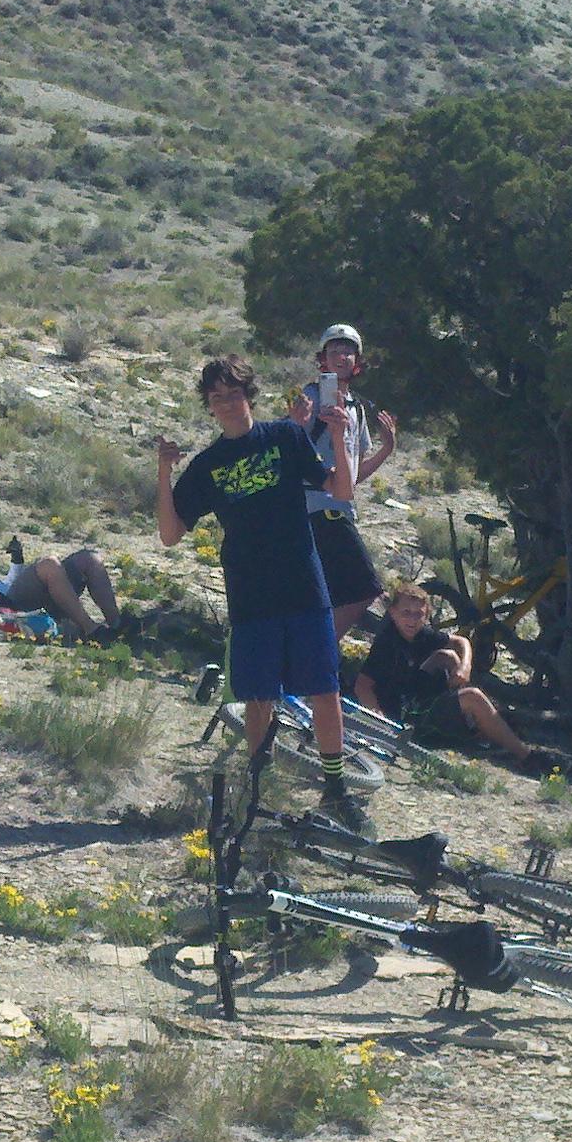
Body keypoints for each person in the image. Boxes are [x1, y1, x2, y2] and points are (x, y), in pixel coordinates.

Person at [157, 354, 370, 831]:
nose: (228, 404)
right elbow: (171, 534)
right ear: (208, 407)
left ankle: (334, 790)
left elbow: (341, 491)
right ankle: (258, 787)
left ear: (248, 395)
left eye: (234, 394)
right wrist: (164, 473)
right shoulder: (208, 465)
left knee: (324, 687)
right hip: (250, 593)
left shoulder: (286, 437)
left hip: (303, 582)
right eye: (217, 398)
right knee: (259, 695)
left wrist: (338, 435)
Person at [355, 583, 559, 776]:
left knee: (448, 656)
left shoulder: (420, 634)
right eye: (406, 613)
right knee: (472, 695)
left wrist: (465, 666)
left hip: (414, 696)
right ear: (392, 613)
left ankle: (476, 722)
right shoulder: (387, 643)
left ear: (426, 616)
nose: (412, 619)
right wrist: (380, 721)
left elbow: (461, 641)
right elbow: (363, 685)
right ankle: (526, 756)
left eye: (419, 614)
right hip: (407, 718)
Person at [291, 323, 395, 639]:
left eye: (348, 351)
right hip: (319, 509)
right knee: (365, 589)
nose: (342, 356)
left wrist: (387, 449)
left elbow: (352, 476)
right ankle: (319, 652)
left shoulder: (356, 408)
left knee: (326, 597)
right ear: (322, 359)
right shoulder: (311, 396)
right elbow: (289, 448)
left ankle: (311, 658)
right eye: (334, 350)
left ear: (357, 362)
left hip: (339, 508)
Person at [0, 535, 123, 641]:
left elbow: (11, 579)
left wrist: (17, 563)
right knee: (50, 565)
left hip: (45, 590)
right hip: (13, 603)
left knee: (90, 558)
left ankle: (118, 625)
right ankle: (91, 630)